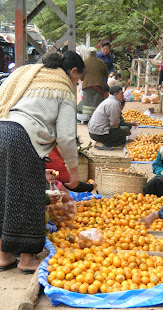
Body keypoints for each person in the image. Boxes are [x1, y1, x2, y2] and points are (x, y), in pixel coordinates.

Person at [0, 51, 85, 273]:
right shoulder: (63, 89)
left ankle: (3, 256)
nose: (76, 84)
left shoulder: (28, 73)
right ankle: (27, 259)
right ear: (73, 72)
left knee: (4, 193)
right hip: (22, 137)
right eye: (78, 79)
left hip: (1, 129)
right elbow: (66, 137)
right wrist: (73, 173)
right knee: (28, 197)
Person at [77, 48, 108, 120]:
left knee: (87, 104)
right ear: (96, 54)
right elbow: (105, 73)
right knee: (97, 104)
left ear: (88, 54)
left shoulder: (85, 62)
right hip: (98, 86)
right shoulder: (101, 62)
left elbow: (81, 76)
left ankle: (87, 118)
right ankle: (97, 118)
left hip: (87, 86)